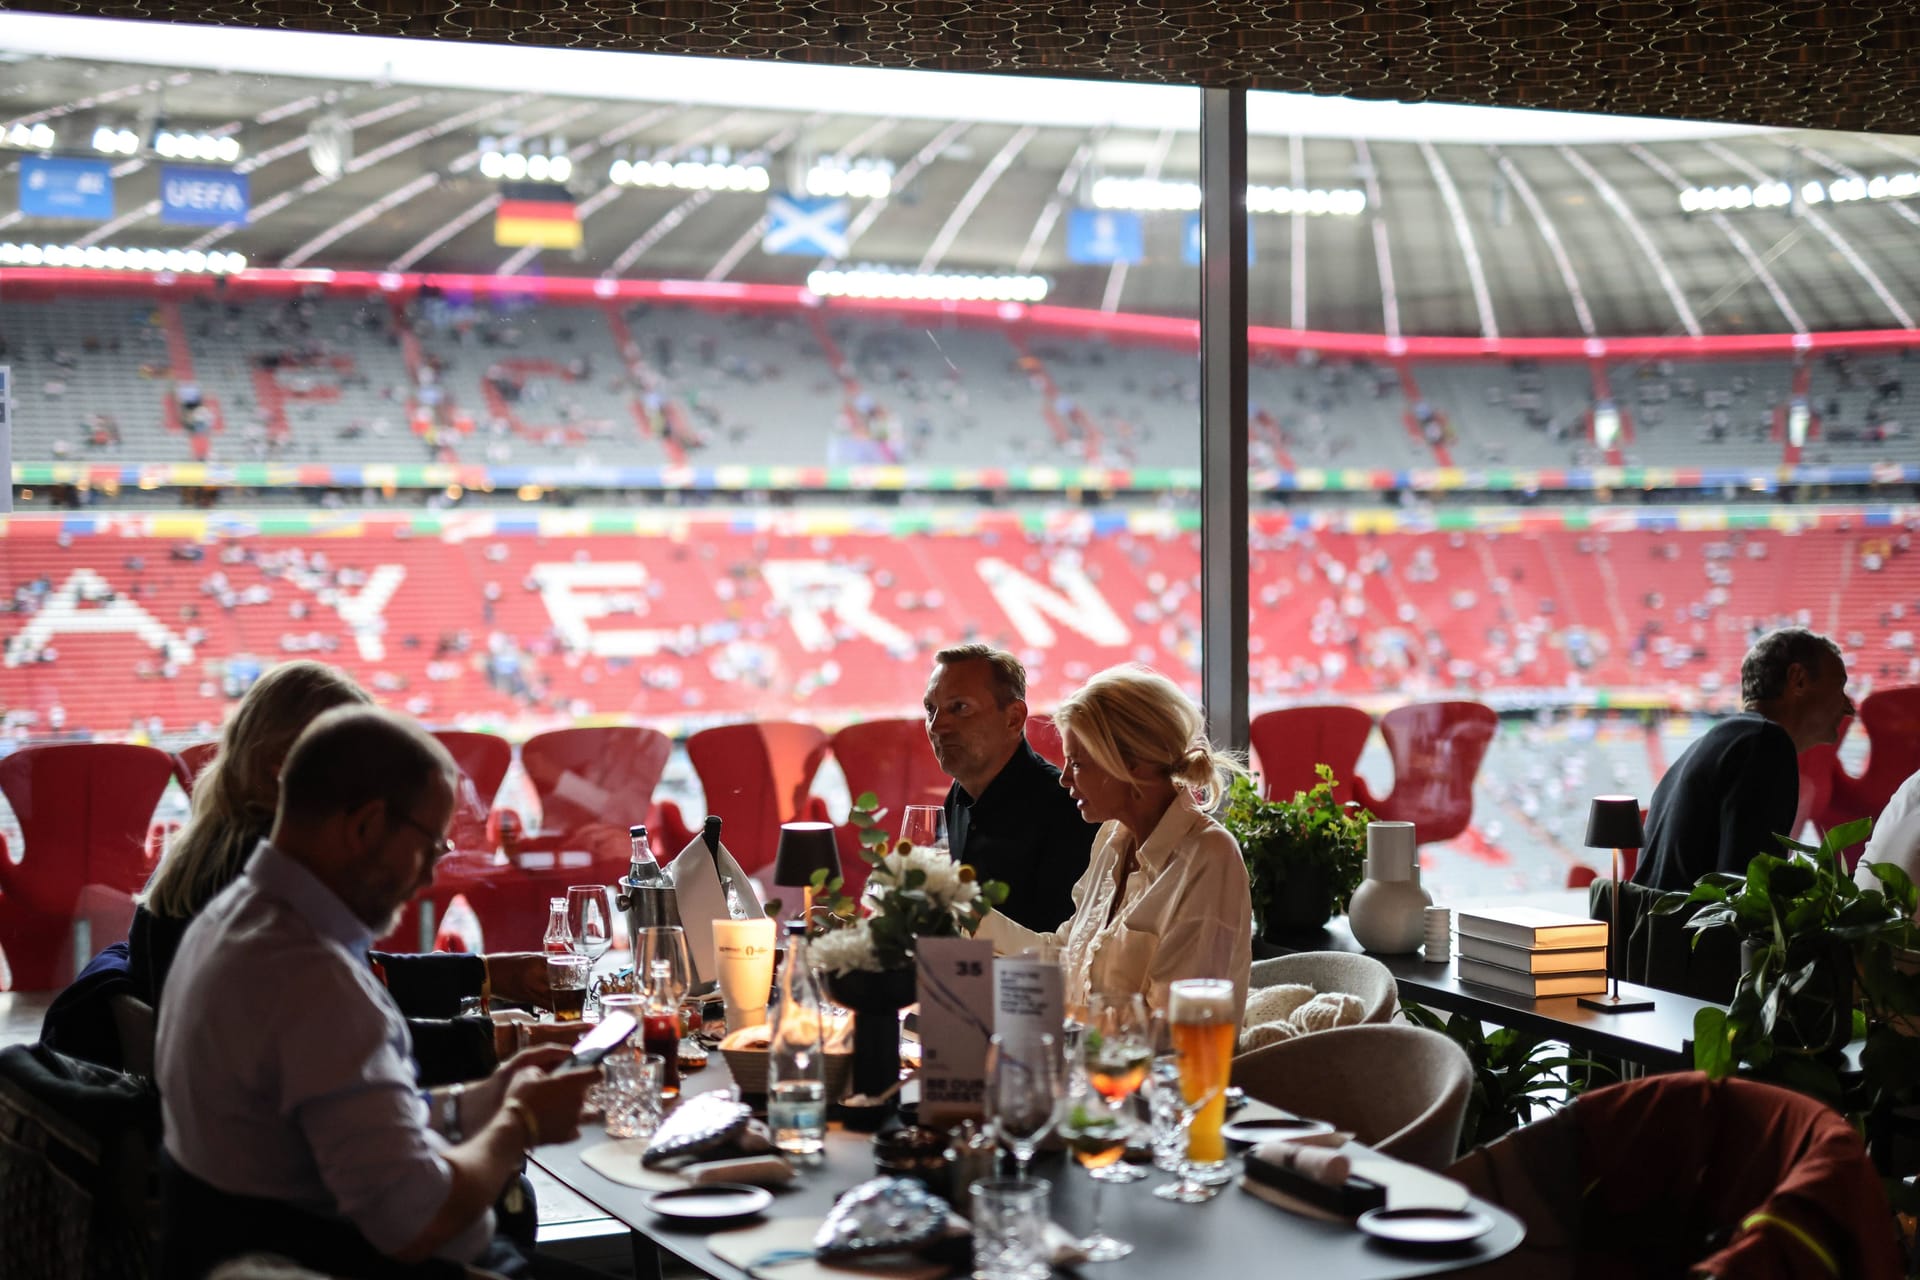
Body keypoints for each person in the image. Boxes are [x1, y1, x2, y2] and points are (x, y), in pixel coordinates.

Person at [156, 706, 600, 1278]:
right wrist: (521, 1123)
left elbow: (367, 1127)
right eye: (428, 846)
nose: (429, 876)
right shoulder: (311, 978)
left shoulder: (228, 922)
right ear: (364, 826)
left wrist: (490, 1096)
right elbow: (418, 1221)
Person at [129, 660, 550, 1080]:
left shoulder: (210, 852)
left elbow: (358, 981)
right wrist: (513, 1038)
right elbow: (360, 1047)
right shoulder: (265, 890)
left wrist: (490, 974)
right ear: (284, 768)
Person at [973, 665, 1254, 1023]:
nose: (1063, 779)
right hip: (1088, 1065)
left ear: (1130, 764)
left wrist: (1041, 1011)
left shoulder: (1209, 857)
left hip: (1154, 1076)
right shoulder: (1112, 839)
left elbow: (1171, 1029)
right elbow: (1063, 955)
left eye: (1076, 763)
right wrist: (963, 911)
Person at [1633, 628, 1854, 892]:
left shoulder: (1711, 746)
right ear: (1798, 680)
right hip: (1685, 933)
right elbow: (1746, 897)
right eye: (1839, 686)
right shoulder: (1765, 743)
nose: (1848, 706)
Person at [925, 644, 1095, 931]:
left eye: (960, 708)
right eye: (931, 709)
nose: (937, 725)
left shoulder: (1066, 808)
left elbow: (1066, 943)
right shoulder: (958, 796)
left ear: (1014, 718)